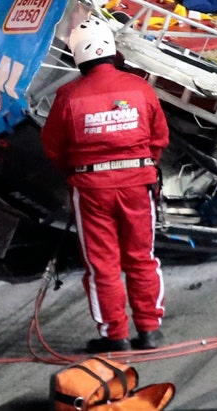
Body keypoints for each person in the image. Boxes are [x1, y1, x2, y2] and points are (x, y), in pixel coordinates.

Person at [39, 18, 169, 354]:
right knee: (142, 258)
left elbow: (53, 147)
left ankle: (116, 335)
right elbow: (159, 138)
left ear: (78, 55)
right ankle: (150, 330)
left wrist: (80, 173)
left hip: (92, 189)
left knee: (103, 264)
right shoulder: (140, 88)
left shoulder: (68, 96)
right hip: (138, 185)